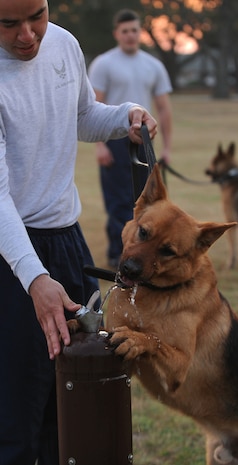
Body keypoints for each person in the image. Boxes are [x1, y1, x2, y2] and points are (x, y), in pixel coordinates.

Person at [0, 1, 157, 464]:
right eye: (8, 24)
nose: (29, 34)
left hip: (67, 242)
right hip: (12, 254)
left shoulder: (64, 43)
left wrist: (125, 115)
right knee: (16, 418)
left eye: (38, 15)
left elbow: (83, 114)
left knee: (76, 397)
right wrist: (34, 277)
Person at [88, 9, 172, 269]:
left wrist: (166, 148)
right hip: (114, 138)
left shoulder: (153, 65)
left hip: (144, 139)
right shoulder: (104, 63)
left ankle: (144, 254)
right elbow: (93, 106)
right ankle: (117, 253)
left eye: (134, 30)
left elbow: (164, 108)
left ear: (140, 32)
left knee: (148, 200)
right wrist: (100, 146)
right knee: (118, 201)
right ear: (117, 34)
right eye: (125, 31)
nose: (130, 35)